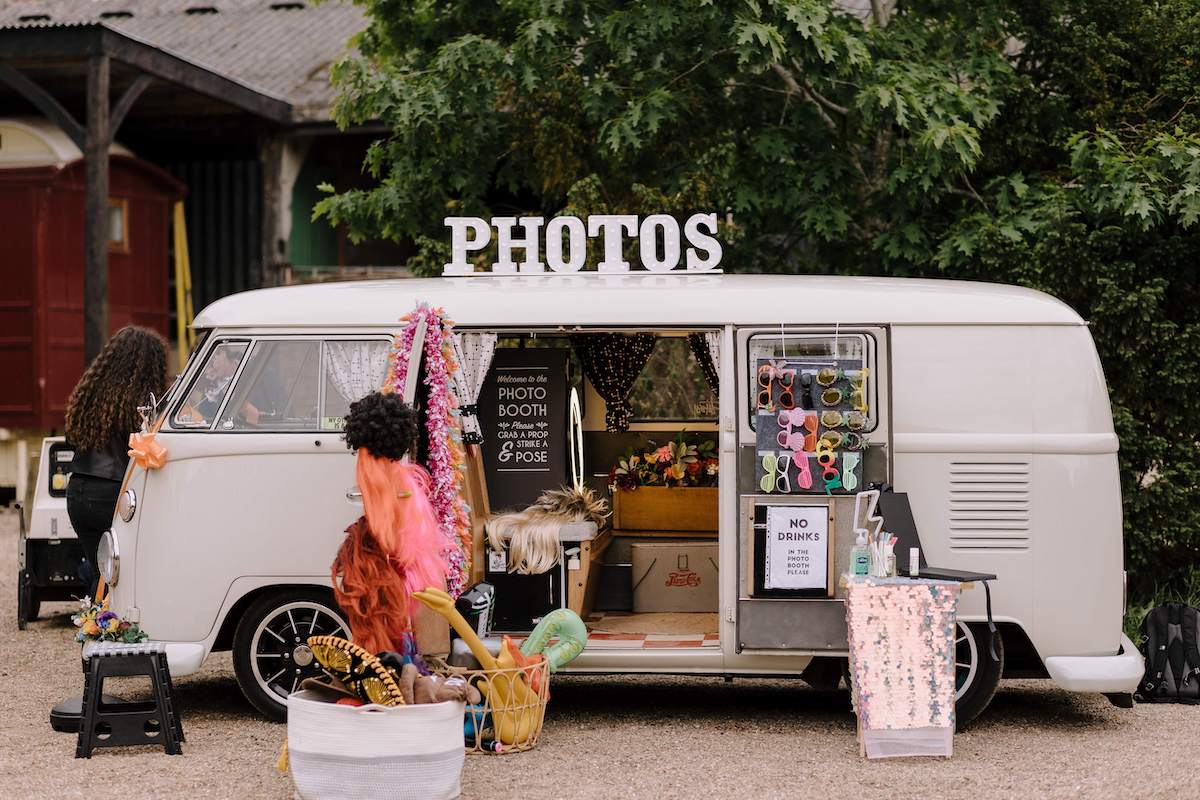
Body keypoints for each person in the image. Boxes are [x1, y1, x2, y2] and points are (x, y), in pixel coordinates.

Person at [65, 326, 168, 592]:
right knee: (121, 577)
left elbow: (72, 438)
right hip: (112, 492)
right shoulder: (142, 401)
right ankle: (108, 629)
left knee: (102, 572)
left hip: (77, 491)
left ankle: (96, 626)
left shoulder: (88, 393)